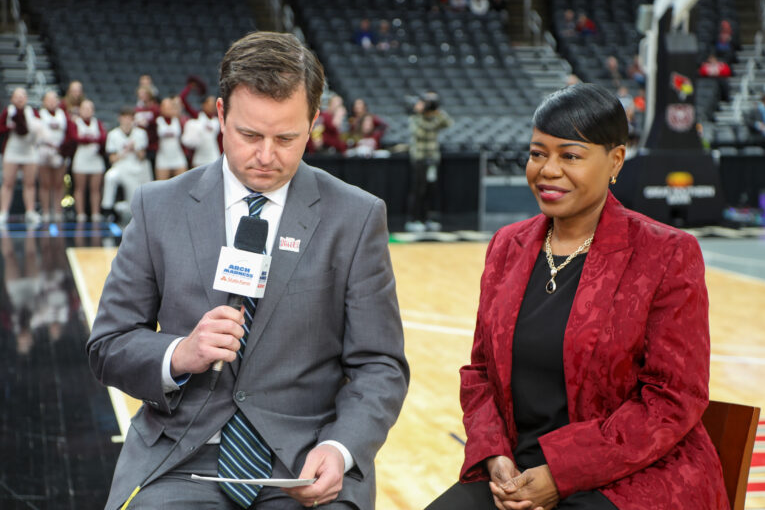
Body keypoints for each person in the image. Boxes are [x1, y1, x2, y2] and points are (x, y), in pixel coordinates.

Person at [86, 31, 408, 510]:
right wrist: (180, 353)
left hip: (304, 464)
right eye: (249, 135)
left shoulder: (356, 217)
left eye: (286, 138)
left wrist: (341, 448)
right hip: (180, 460)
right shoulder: (158, 207)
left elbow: (379, 364)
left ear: (314, 122)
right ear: (219, 115)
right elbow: (108, 345)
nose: (265, 156)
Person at [426, 83, 729, 510]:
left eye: (570, 156)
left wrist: (563, 472)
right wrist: (493, 454)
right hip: (519, 468)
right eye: (537, 153)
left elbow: (673, 397)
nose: (548, 170)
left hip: (634, 473)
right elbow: (479, 372)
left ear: (615, 161)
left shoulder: (666, 253)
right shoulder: (506, 246)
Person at [406, 92, 452, 233]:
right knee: (418, 190)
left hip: (432, 158)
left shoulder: (435, 118)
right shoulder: (415, 118)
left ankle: (428, 219)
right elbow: (421, 132)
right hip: (420, 158)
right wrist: (421, 113)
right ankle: (414, 219)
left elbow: (448, 123)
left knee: (430, 190)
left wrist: (437, 111)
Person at [101, 107, 151, 222]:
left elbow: (142, 156)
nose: (127, 120)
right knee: (110, 177)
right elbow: (112, 159)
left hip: (135, 168)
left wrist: (135, 148)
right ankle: (107, 209)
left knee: (131, 202)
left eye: (129, 118)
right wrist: (124, 151)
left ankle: (127, 210)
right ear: (120, 118)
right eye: (124, 117)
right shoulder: (113, 134)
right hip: (119, 166)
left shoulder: (140, 134)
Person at [0, 87, 41, 225]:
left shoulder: (32, 112)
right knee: (8, 183)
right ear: (12, 99)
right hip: (12, 150)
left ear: (26, 99)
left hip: (28, 150)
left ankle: (30, 211)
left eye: (22, 96)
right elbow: (1, 128)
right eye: (17, 96)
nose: (19, 98)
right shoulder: (8, 112)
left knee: (29, 183)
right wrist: (12, 127)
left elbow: (39, 129)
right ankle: (3, 212)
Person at [68, 99, 106, 222]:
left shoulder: (97, 122)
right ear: (80, 110)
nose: (87, 111)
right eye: (84, 108)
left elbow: (103, 138)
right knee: (80, 188)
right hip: (81, 158)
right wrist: (91, 139)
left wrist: (87, 139)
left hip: (95, 158)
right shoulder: (76, 122)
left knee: (95, 189)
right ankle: (80, 214)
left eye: (89, 109)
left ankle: (95, 213)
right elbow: (74, 138)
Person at [36, 90, 68, 222]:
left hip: (59, 152)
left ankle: (58, 211)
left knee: (59, 183)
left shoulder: (63, 115)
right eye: (49, 99)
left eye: (54, 99)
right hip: (44, 151)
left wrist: (63, 148)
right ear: (44, 101)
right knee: (45, 184)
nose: (52, 102)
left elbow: (68, 133)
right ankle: (45, 211)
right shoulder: (39, 114)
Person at [154, 97, 188, 180]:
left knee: (182, 183)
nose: (168, 109)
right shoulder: (157, 120)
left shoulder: (178, 120)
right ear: (161, 108)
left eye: (170, 107)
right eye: (165, 107)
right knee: (161, 186)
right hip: (163, 157)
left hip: (177, 156)